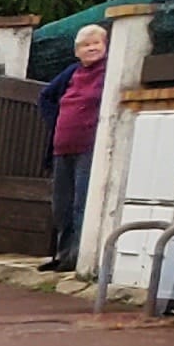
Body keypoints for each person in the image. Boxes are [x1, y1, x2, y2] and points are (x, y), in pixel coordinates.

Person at [48, 22, 108, 272]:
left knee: (81, 203)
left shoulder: (108, 72)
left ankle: (77, 257)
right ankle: (62, 255)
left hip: (88, 146)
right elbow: (46, 96)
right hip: (63, 146)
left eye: (96, 43)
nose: (91, 48)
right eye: (85, 45)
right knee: (61, 204)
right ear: (76, 51)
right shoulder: (72, 72)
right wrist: (57, 121)